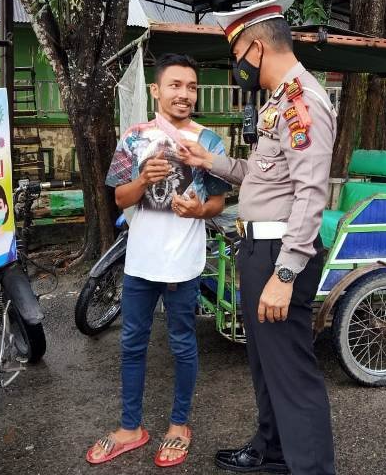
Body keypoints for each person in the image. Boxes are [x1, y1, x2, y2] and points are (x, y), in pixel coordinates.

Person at [178, 0, 337, 475]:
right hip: (260, 246)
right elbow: (262, 174)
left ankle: (310, 466)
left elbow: (312, 194)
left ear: (255, 48)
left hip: (280, 251)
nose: (236, 66)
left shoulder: (302, 103)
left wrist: (285, 273)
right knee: (267, 365)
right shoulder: (279, 103)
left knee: (291, 372)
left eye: (235, 54)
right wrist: (210, 162)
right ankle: (272, 450)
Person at [86, 53, 230, 468]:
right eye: (175, 85)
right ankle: (131, 427)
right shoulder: (134, 137)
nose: (184, 94)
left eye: (191, 87)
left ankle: (179, 425)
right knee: (132, 343)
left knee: (183, 343)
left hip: (183, 262)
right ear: (156, 90)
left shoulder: (210, 142)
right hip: (141, 262)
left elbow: (218, 202)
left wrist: (198, 210)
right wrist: (142, 180)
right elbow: (119, 197)